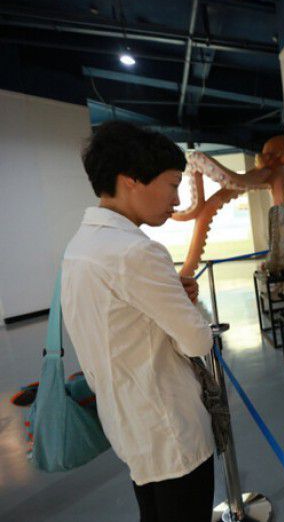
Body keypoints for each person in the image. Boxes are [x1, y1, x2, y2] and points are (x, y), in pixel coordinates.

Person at [61, 121, 216, 522]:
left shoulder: (80, 247)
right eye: (172, 184)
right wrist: (187, 312)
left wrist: (169, 297)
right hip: (170, 427)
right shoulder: (137, 252)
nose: (177, 200)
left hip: (130, 424)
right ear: (131, 178)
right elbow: (197, 341)